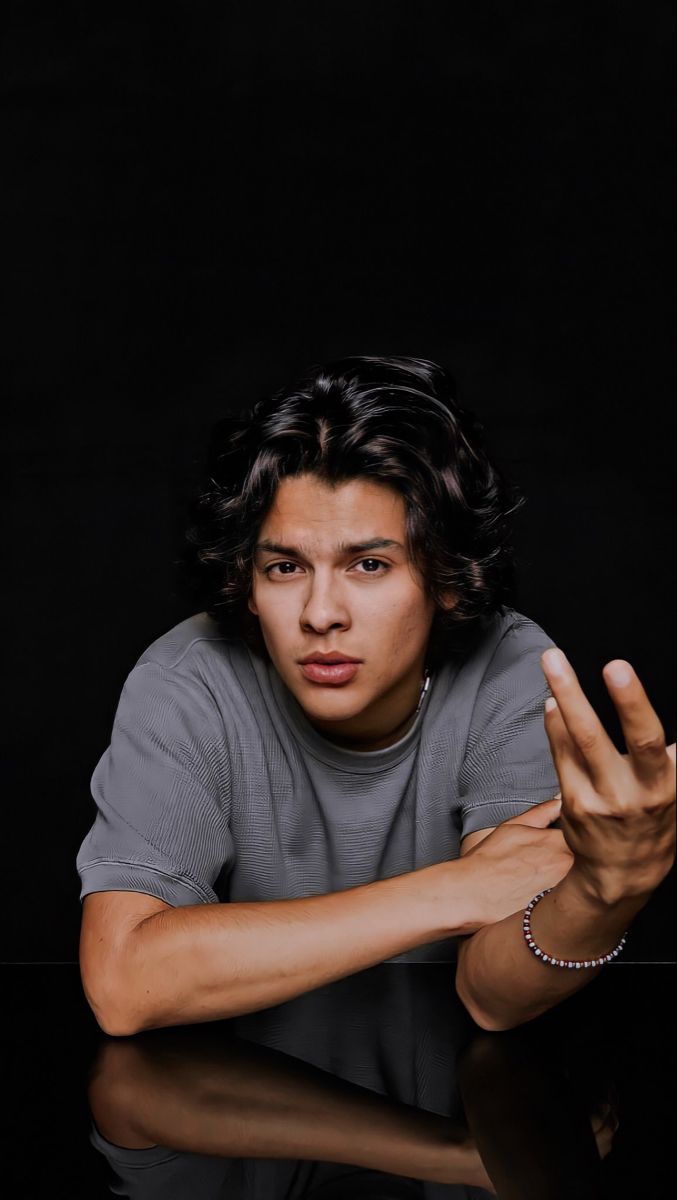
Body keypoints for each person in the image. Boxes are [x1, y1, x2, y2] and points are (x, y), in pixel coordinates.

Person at [76, 355, 675, 1037]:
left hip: (447, 1102)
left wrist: (603, 893)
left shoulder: (506, 669)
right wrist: (456, 889)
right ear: (247, 582)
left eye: (369, 565)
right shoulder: (189, 679)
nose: (319, 613)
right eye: (284, 567)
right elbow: (122, 985)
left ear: (446, 577)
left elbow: (492, 997)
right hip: (233, 1111)